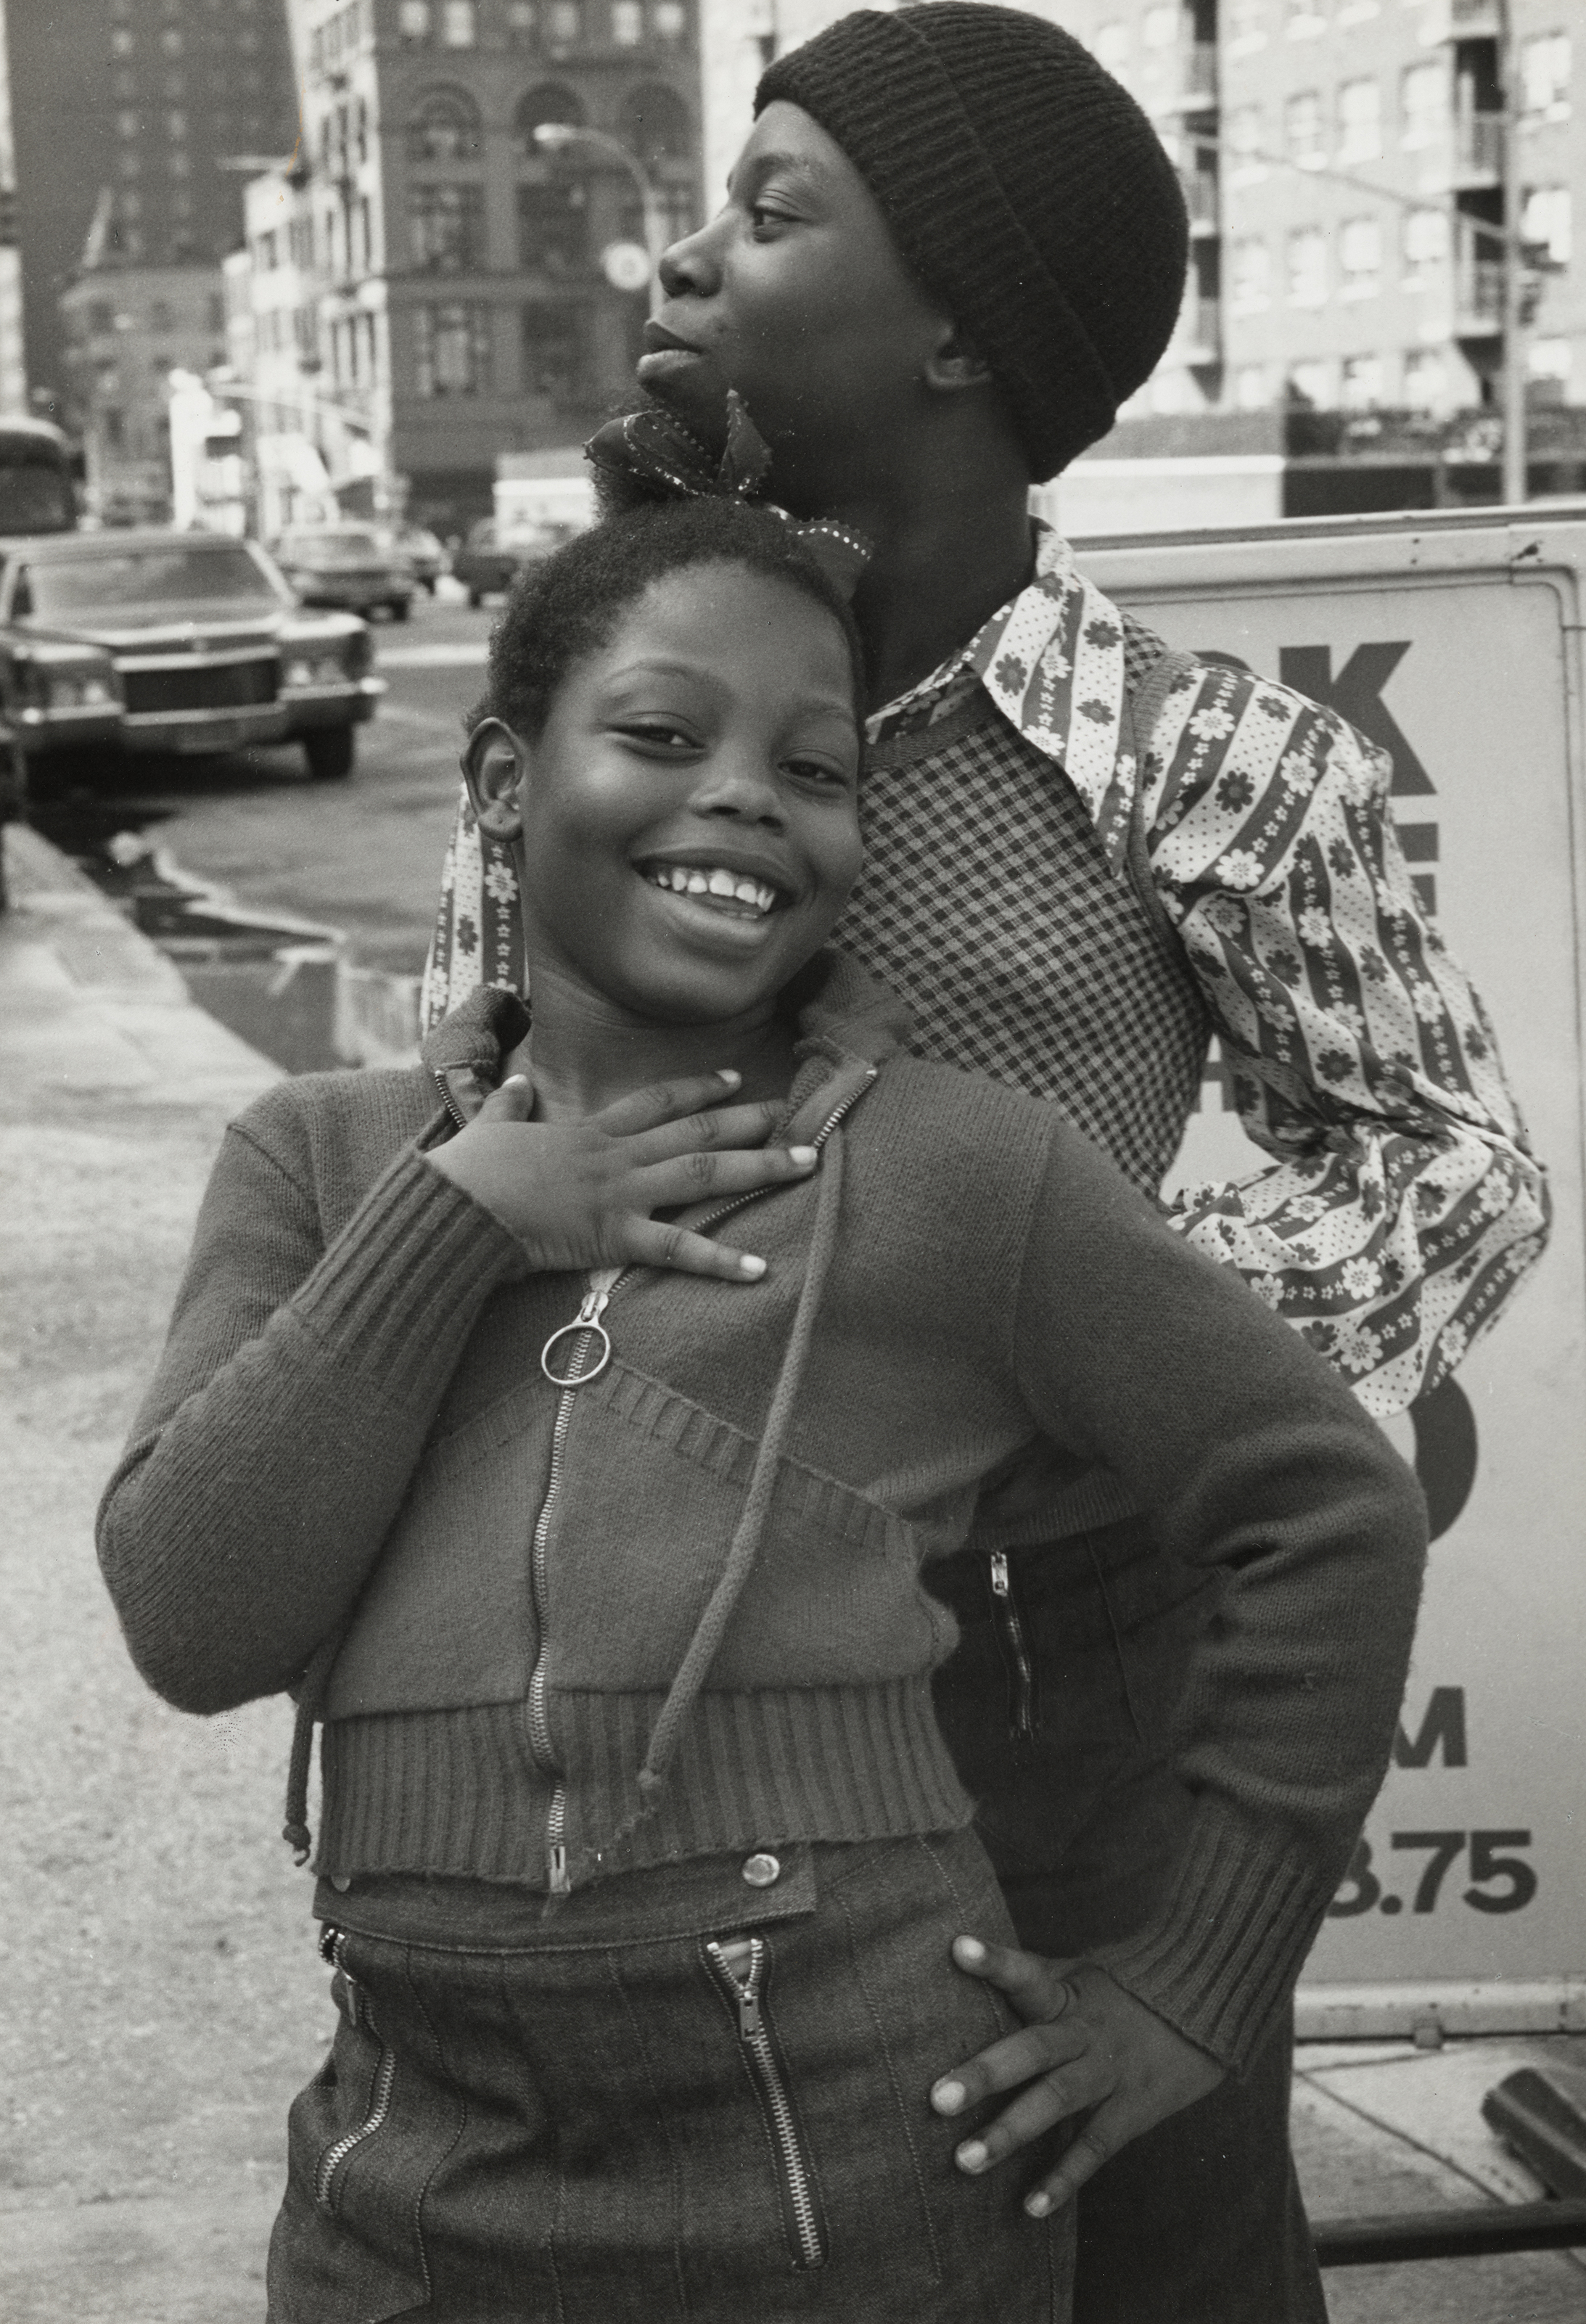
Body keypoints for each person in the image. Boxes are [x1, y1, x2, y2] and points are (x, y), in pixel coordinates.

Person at [416, 12, 1548, 2319]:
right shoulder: (597, 722)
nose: (690, 254)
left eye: (774, 210)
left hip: (1063, 1683)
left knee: (1138, 2220)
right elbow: (477, 1115)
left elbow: (1451, 1156)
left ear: (960, 331)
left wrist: (1128, 1346)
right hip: (655, 1657)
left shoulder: (1208, 757)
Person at [99, 501, 1427, 2324]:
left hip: (866, 2172)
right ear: (505, 777)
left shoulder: (966, 1177)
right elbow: (191, 1611)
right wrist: (463, 1216)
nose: (741, 796)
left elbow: (1325, 1511)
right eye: (658, 736)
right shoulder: (322, 1165)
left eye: (813, 767)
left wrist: (1191, 1982)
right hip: (409, 2183)